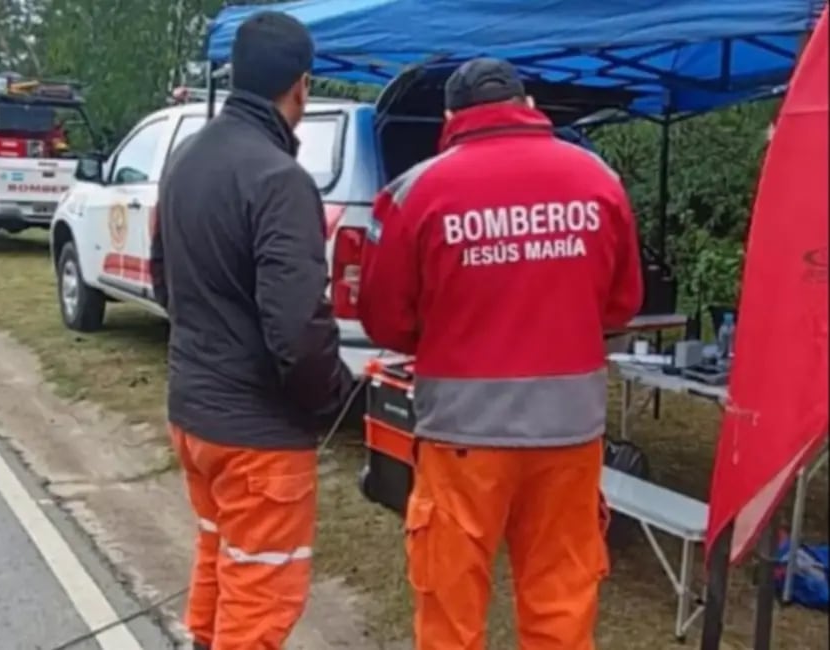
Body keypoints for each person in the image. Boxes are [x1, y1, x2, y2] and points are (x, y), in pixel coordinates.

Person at [358, 57, 643, 650]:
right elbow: (621, 306)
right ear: (531, 108)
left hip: (464, 437)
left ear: (449, 117)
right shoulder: (598, 180)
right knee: (561, 606)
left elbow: (385, 318)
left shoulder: (416, 191)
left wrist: (449, 334)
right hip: (570, 435)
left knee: (452, 610)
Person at [149, 11, 354, 650]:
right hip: (258, 439)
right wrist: (340, 399)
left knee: (221, 560)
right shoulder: (280, 180)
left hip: (195, 417)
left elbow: (163, 282)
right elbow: (297, 328)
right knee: (260, 604)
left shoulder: (186, 157)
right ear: (301, 87)